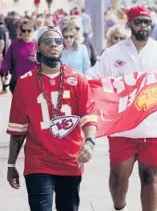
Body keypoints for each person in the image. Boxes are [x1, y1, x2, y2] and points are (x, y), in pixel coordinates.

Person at [86, 6, 157, 211]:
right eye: (138, 21)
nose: (143, 26)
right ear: (129, 23)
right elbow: (91, 78)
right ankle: (119, 207)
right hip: (122, 129)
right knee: (119, 178)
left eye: (146, 22)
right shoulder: (113, 54)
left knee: (150, 177)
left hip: (154, 128)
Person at [6, 25, 97, 211]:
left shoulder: (78, 80)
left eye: (58, 41)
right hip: (38, 162)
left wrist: (89, 143)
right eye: (48, 41)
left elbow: (88, 116)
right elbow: (18, 131)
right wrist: (10, 164)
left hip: (71, 160)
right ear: (38, 47)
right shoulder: (24, 83)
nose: (54, 45)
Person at [1, 20, 37, 93]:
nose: (26, 33)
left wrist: (38, 59)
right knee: (18, 104)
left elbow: (47, 62)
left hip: (33, 82)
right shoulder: (15, 45)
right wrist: (3, 73)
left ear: (33, 31)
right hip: (17, 82)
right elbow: (7, 60)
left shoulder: (38, 45)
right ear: (21, 31)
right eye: (24, 31)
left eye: (29, 30)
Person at [0, 14, 10, 94]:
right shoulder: (6, 29)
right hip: (6, 52)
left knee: (1, 71)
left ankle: (4, 88)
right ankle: (5, 87)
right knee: (4, 71)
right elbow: (8, 41)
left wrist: (0, 52)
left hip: (2, 53)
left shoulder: (0, 29)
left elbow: (2, 42)